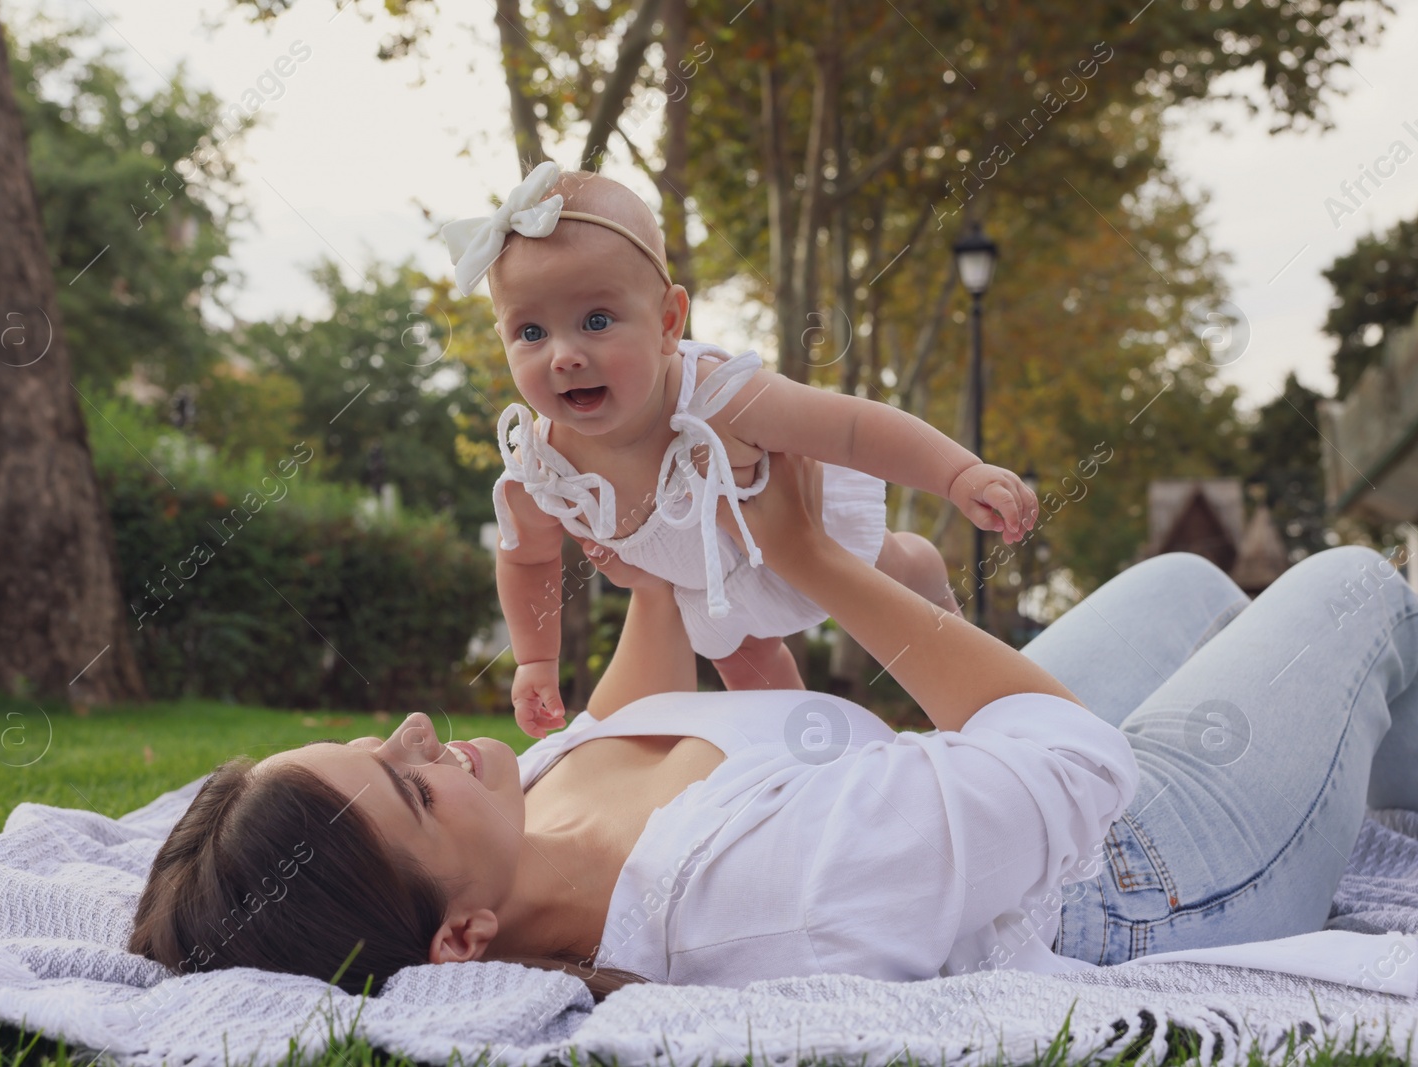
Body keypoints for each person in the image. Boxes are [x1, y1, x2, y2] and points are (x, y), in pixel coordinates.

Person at [130, 451, 1418, 998]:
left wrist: (643, 546)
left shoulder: (528, 804)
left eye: (380, 739)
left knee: (1187, 584)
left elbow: (648, 692)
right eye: (410, 787)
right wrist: (819, 556)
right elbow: (1072, 761)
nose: (422, 736)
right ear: (462, 937)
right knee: (1351, 588)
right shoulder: (743, 897)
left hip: (957, 771)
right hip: (1137, 867)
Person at [445, 161, 1038, 737]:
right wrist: (535, 660)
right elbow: (526, 558)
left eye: (597, 320)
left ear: (668, 322)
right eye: (531, 332)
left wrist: (959, 474)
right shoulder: (541, 471)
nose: (564, 355)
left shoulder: (719, 397)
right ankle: (812, 757)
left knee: (890, 574)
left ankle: (923, 574)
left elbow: (852, 430)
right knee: (750, 677)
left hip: (815, 537)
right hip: (712, 592)